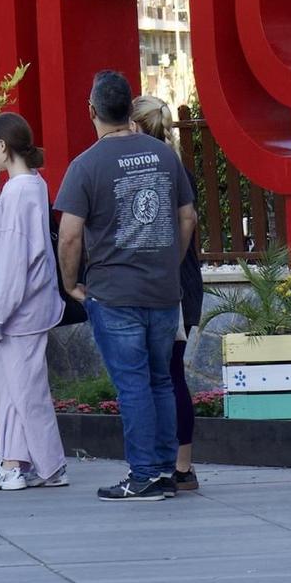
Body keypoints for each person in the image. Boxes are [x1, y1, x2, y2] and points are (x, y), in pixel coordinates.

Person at [57, 69, 197, 503]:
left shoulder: (85, 165)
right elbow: (188, 216)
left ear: (93, 110)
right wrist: (169, 264)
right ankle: (163, 472)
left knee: (133, 385)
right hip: (161, 290)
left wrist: (70, 285)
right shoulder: (163, 154)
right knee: (160, 381)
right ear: (127, 107)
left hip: (114, 293)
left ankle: (143, 475)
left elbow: (70, 235)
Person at [0, 112, 67, 490]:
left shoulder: (18, 189)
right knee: (15, 387)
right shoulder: (32, 185)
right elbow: (24, 243)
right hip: (29, 305)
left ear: (4, 147)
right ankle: (17, 462)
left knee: (23, 390)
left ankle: (45, 464)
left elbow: (12, 260)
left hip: (19, 309)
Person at [131, 96, 207, 490]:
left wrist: (167, 265)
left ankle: (159, 463)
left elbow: (185, 221)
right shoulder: (179, 169)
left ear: (135, 126)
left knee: (153, 377)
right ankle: (181, 465)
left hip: (162, 285)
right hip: (184, 283)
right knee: (172, 374)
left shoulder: (149, 172)